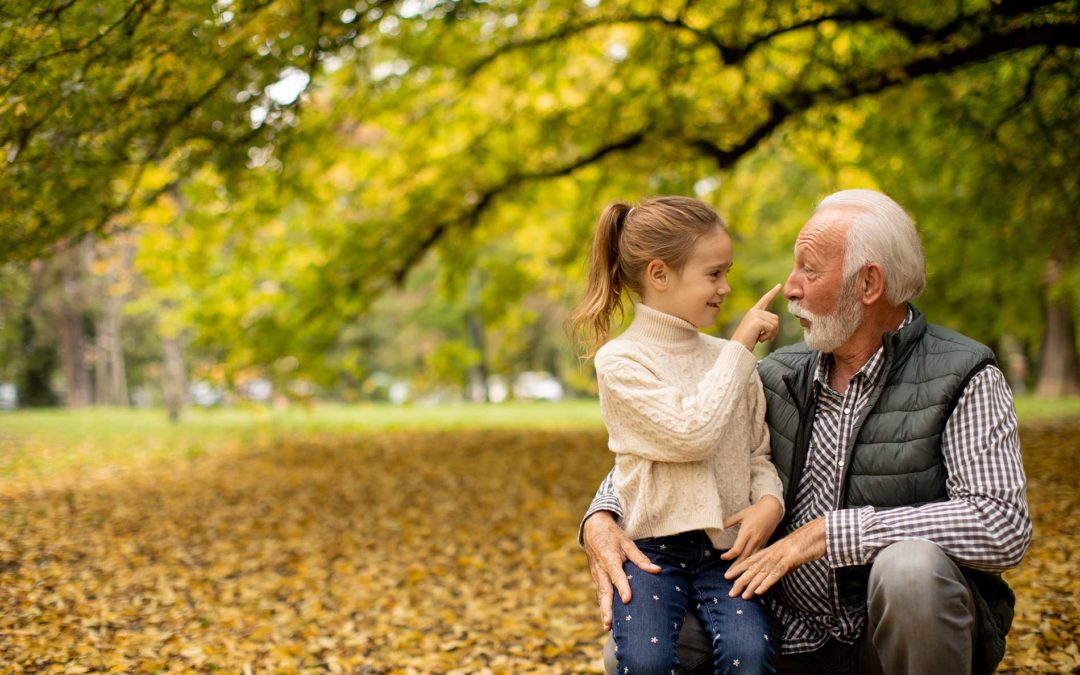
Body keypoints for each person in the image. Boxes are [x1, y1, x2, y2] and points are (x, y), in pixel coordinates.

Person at [580, 190, 1032, 675]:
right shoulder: (775, 374)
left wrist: (835, 533)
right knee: (631, 649)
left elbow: (1002, 524)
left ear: (869, 283)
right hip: (782, 633)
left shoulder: (963, 375)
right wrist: (599, 518)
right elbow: (670, 448)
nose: (789, 287)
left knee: (911, 571)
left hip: (885, 644)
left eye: (808, 270)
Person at [569, 195, 789, 674]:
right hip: (651, 550)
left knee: (749, 655)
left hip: (727, 549)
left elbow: (757, 455)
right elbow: (692, 433)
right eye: (713, 274)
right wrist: (740, 347)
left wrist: (770, 503)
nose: (726, 288)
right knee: (645, 661)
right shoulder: (621, 362)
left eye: (727, 272)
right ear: (659, 274)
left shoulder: (730, 360)